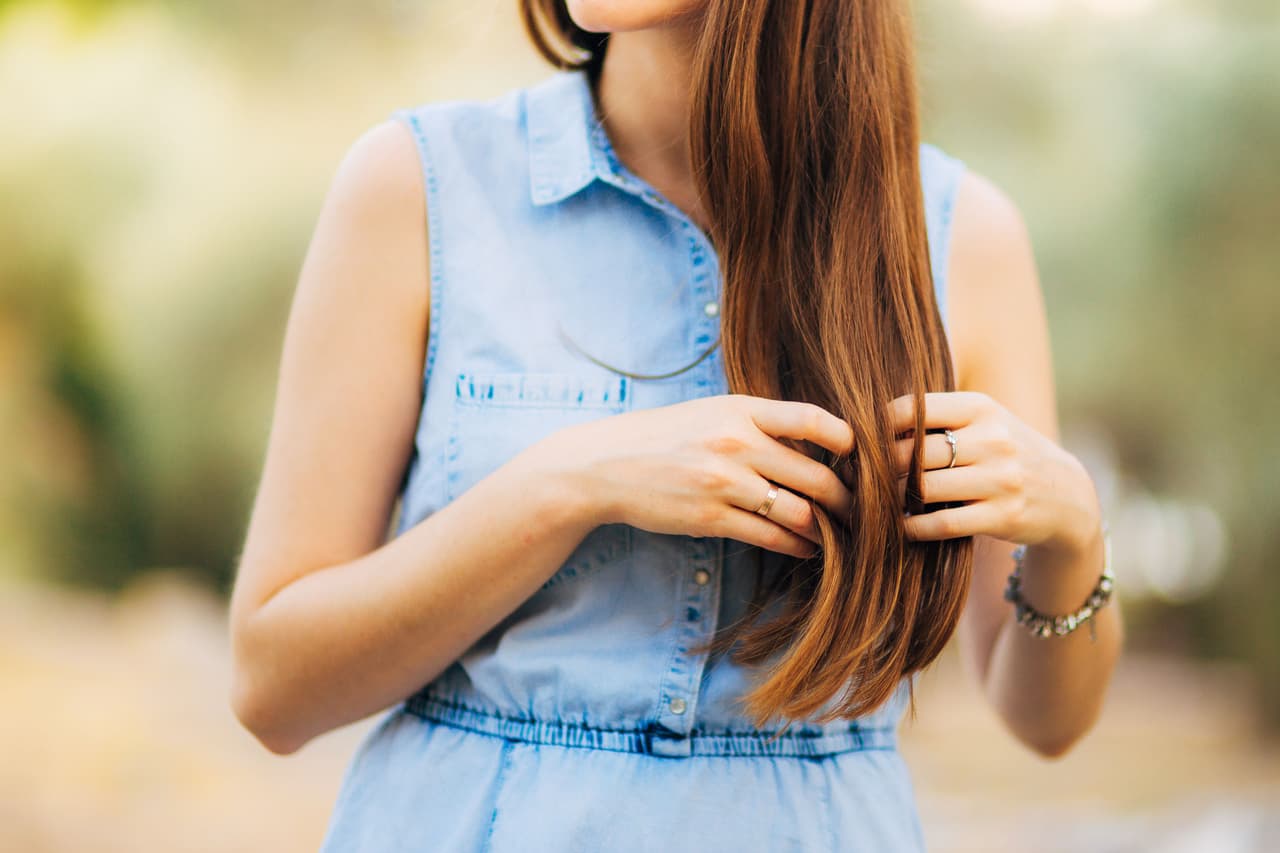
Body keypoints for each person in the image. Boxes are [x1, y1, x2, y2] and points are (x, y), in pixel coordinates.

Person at [227, 1, 1124, 849]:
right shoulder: (415, 186)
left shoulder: (963, 236)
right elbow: (275, 686)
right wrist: (572, 484)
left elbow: (1044, 720)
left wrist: (1073, 534)